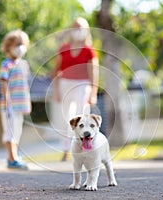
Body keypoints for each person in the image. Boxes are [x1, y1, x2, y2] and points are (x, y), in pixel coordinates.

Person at [51, 17, 99, 161]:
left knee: (80, 117)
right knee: (65, 119)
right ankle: (65, 150)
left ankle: (83, 149)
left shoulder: (89, 51)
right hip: (65, 84)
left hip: (82, 85)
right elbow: (55, 71)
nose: (78, 31)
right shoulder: (63, 49)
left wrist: (93, 93)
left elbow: (94, 74)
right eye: (76, 27)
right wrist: (56, 91)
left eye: (81, 28)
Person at [0, 29, 31, 169]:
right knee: (10, 132)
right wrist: (7, 102)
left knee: (17, 132)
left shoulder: (24, 64)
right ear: (8, 47)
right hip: (9, 106)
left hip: (20, 105)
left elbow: (25, 85)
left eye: (22, 44)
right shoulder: (6, 65)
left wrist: (27, 104)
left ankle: (14, 156)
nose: (20, 47)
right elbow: (4, 84)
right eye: (17, 44)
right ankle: (12, 158)